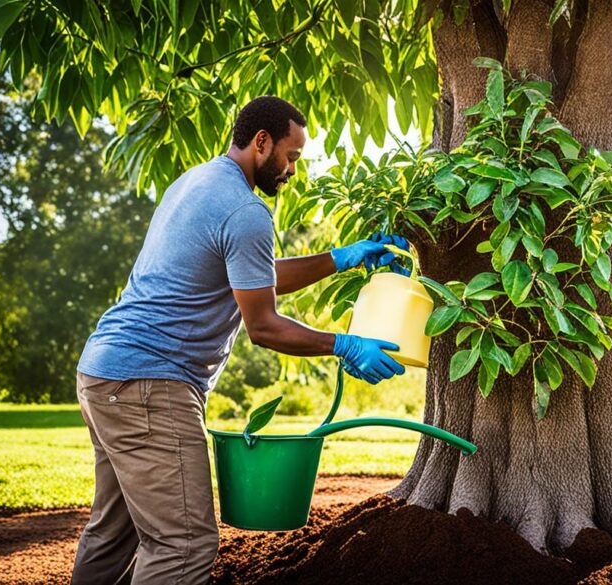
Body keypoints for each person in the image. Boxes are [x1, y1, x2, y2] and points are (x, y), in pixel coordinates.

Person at [70, 95, 407, 584]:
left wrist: (343, 256)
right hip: (151, 385)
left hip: (104, 373)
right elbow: (264, 326)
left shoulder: (194, 183)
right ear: (262, 142)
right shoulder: (244, 211)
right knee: (182, 545)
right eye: (291, 156)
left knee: (113, 534)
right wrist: (345, 344)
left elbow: (252, 276)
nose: (293, 170)